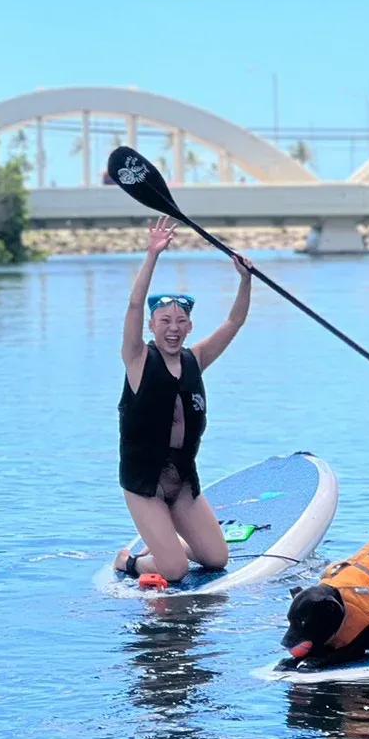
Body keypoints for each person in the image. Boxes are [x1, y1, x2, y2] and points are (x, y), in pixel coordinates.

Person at [113, 216, 253, 585]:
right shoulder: (138, 359)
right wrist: (153, 255)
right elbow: (133, 304)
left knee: (216, 559)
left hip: (183, 481)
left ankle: (169, 543)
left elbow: (234, 323)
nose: (173, 328)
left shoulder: (196, 359)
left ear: (189, 327)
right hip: (144, 483)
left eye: (180, 322)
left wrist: (244, 279)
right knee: (174, 571)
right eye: (164, 321)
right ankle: (129, 560)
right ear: (152, 326)